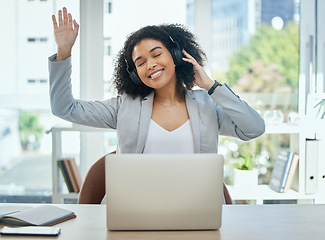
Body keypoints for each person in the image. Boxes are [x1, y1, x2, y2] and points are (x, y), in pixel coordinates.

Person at [49, 7, 265, 155]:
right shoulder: (123, 107)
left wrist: (211, 86)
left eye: (156, 54)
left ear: (176, 55)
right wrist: (63, 52)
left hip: (194, 210)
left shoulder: (207, 106)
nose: (150, 65)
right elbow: (64, 108)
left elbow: (254, 128)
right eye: (140, 62)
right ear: (134, 74)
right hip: (135, 210)